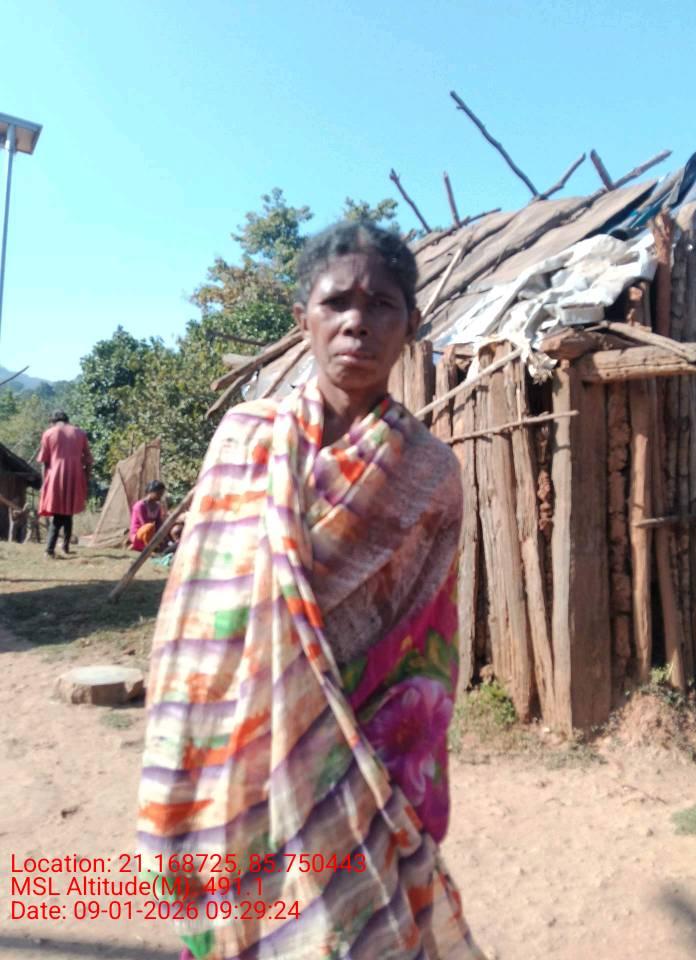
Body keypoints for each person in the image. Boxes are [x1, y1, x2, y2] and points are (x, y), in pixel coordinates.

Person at [137, 222, 484, 960]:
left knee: (357, 935)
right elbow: (195, 612)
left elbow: (425, 643)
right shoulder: (243, 440)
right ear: (304, 320)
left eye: (382, 304)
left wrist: (388, 772)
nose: (358, 321)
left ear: (410, 325)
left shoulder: (429, 474)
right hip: (233, 746)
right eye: (336, 303)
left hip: (362, 762)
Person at [37, 411, 92, 558]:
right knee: (68, 512)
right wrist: (86, 478)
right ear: (67, 420)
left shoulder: (49, 433)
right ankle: (65, 546)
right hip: (76, 475)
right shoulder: (80, 433)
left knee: (58, 514)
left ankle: (49, 549)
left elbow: (44, 462)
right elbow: (88, 460)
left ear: (53, 422)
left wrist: (44, 483)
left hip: (55, 475)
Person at [129, 480, 166, 551]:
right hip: (139, 533)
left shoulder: (157, 506)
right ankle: (139, 544)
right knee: (148, 527)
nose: (160, 496)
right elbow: (144, 523)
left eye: (161, 494)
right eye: (158, 494)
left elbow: (158, 522)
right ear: (151, 492)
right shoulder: (140, 506)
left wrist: (162, 533)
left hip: (151, 532)